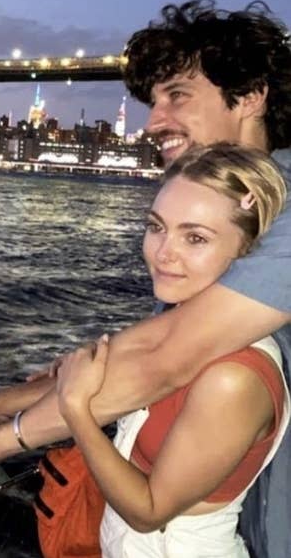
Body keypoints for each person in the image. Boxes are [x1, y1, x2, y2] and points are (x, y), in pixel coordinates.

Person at [0, 0, 291, 557]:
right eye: (153, 102)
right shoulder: (233, 214)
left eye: (178, 95)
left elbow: (163, 358)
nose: (155, 121)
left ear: (249, 96)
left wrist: (2, 438)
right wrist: (7, 398)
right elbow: (144, 353)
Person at [56, 143, 288, 556]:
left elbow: (149, 511)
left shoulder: (234, 377)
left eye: (194, 237)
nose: (163, 252)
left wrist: (76, 411)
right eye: (157, 226)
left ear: (246, 253)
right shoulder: (179, 336)